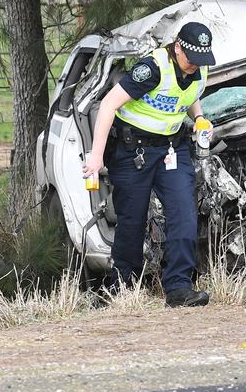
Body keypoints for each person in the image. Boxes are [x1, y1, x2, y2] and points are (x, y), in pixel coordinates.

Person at [81, 21, 216, 308]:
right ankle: (120, 287)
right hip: (134, 151)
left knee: (184, 213)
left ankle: (179, 288)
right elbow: (108, 105)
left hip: (172, 148)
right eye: (191, 59)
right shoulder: (152, 69)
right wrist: (96, 155)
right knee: (132, 220)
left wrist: (200, 118)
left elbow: (188, 96)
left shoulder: (199, 67)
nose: (195, 66)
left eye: (201, 60)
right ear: (177, 48)